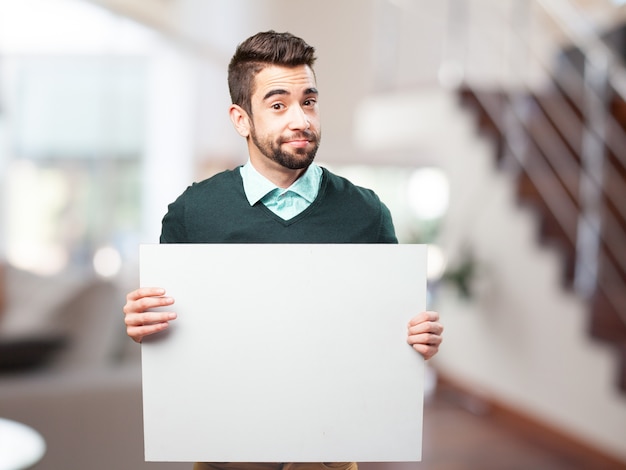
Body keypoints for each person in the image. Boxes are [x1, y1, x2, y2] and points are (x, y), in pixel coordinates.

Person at [123, 31, 443, 470]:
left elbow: (389, 333)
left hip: (329, 456)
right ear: (241, 120)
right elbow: (168, 339)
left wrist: (414, 341)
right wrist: (144, 326)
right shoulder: (192, 213)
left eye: (308, 102)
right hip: (225, 454)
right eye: (278, 105)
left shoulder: (366, 212)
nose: (301, 119)